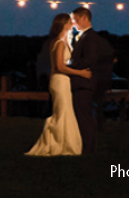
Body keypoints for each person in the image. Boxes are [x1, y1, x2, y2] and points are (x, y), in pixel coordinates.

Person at [26, 13, 92, 156]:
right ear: (63, 24)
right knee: (62, 112)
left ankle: (65, 144)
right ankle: (58, 144)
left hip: (64, 81)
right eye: (69, 22)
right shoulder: (59, 43)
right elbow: (59, 66)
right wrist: (80, 73)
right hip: (60, 81)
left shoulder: (64, 41)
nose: (72, 23)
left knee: (65, 111)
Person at [67, 6, 114, 155]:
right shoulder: (86, 37)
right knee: (83, 115)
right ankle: (86, 147)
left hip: (84, 83)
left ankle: (88, 149)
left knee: (84, 116)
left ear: (84, 18)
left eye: (76, 20)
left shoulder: (90, 38)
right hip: (83, 82)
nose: (74, 23)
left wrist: (71, 65)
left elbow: (91, 59)